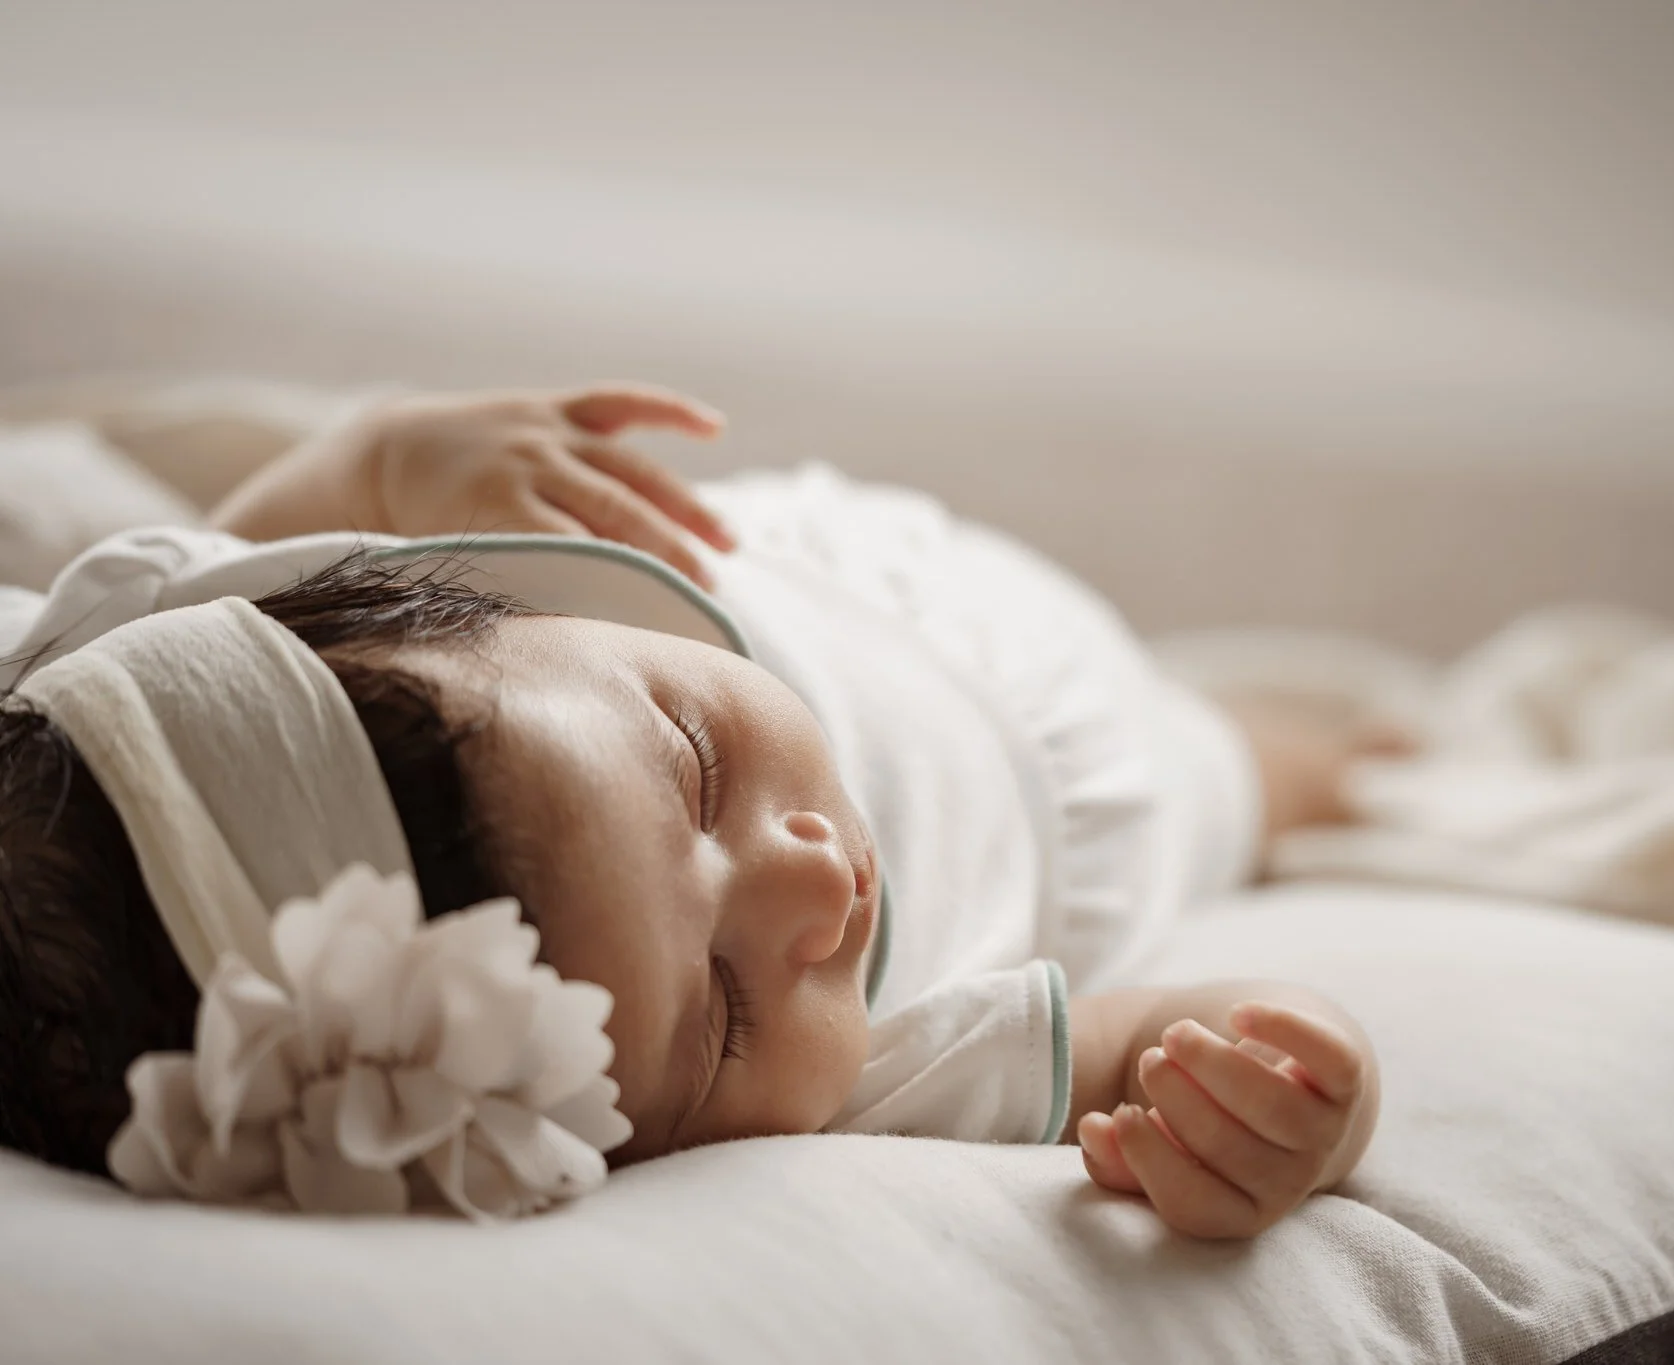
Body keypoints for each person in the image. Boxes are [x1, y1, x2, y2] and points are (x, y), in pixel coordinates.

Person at [0, 384, 1389, 1238]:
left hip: (851, 575)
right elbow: (1143, 1047)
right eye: (723, 1013)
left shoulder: (191, 655)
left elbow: (259, 552)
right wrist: (1283, 1084)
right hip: (1091, 794)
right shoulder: (850, 1091)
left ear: (474, 597)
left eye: (697, 767)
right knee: (1278, 768)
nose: (810, 889)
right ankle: (1330, 753)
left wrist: (390, 460)